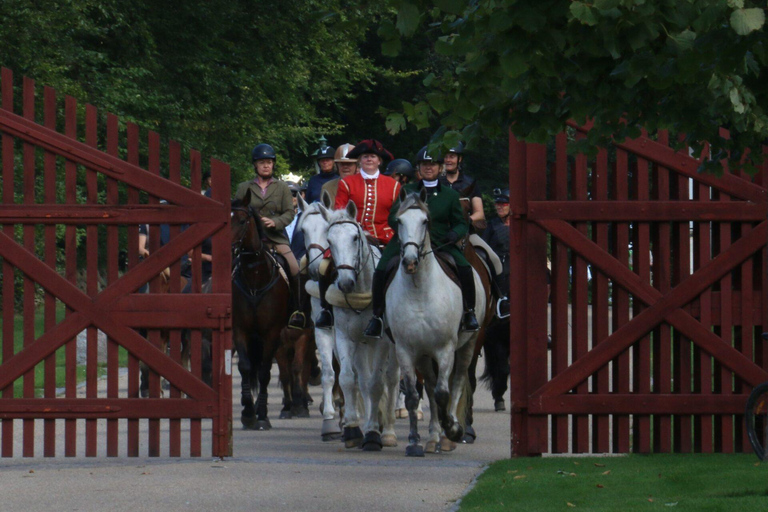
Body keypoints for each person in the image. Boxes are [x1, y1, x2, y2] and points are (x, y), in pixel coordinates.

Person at [364, 145, 479, 338]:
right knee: (382, 269)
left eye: (433, 164)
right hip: (406, 241)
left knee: (464, 267)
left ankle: (469, 312)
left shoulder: (450, 195)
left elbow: (461, 223)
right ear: (418, 168)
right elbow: (392, 217)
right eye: (425, 164)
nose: (429, 168)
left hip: (441, 242)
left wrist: (454, 234)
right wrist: (405, 227)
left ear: (440, 167)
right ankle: (377, 317)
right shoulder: (406, 190)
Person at [313, 139, 400, 330]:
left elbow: (396, 216)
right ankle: (326, 311)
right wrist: (357, 232)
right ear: (359, 161)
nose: (369, 159)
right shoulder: (347, 183)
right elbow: (339, 212)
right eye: (365, 156)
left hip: (385, 238)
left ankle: (393, 312)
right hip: (350, 237)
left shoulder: (393, 185)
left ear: (379, 161)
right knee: (324, 267)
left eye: (373, 156)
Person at [234, 143, 307, 329]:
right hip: (248, 241)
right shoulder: (244, 187)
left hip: (275, 239)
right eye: (262, 162)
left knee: (295, 269)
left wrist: (276, 222)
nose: (266, 165)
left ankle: (298, 311)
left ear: (273, 165)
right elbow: (237, 212)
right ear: (255, 165)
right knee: (230, 269)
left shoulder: (282, 187)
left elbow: (289, 213)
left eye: (269, 162)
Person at [440, 142, 485, 230]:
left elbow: (480, 213)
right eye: (446, 157)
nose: (448, 160)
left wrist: (465, 220)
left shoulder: (470, 183)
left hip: (465, 229)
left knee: (482, 244)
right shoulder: (437, 182)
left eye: (452, 157)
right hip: (439, 230)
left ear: (459, 159)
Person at [482, 188, 511, 317]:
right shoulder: (492, 225)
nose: (499, 207)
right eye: (497, 204)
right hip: (498, 264)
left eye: (503, 204)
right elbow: (484, 246)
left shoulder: (521, 224)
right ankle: (501, 303)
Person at [304, 137, 337, 204]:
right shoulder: (313, 180)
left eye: (327, 160)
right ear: (319, 163)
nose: (325, 163)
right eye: (322, 161)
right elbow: (308, 201)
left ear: (334, 161)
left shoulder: (339, 179)